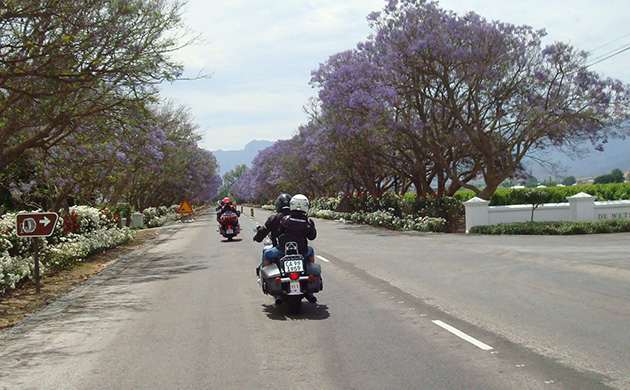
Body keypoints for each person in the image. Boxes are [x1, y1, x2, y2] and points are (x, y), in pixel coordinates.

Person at [253, 193, 292, 268]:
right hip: (298, 250)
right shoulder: (296, 217)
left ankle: (264, 277)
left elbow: (263, 231)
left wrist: (257, 238)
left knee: (266, 253)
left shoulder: (274, 218)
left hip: (281, 250)